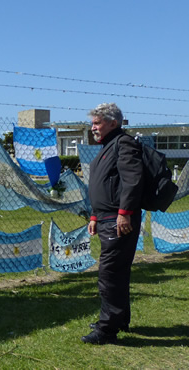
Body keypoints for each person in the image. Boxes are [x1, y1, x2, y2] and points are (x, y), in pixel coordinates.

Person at [82, 103, 144, 345]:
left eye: (97, 123)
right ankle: (120, 319)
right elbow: (104, 184)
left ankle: (107, 328)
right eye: (93, 122)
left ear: (112, 123)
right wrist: (95, 216)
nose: (93, 127)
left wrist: (124, 212)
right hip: (107, 218)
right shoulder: (107, 146)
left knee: (109, 273)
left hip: (119, 220)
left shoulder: (124, 143)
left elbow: (132, 180)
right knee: (117, 272)